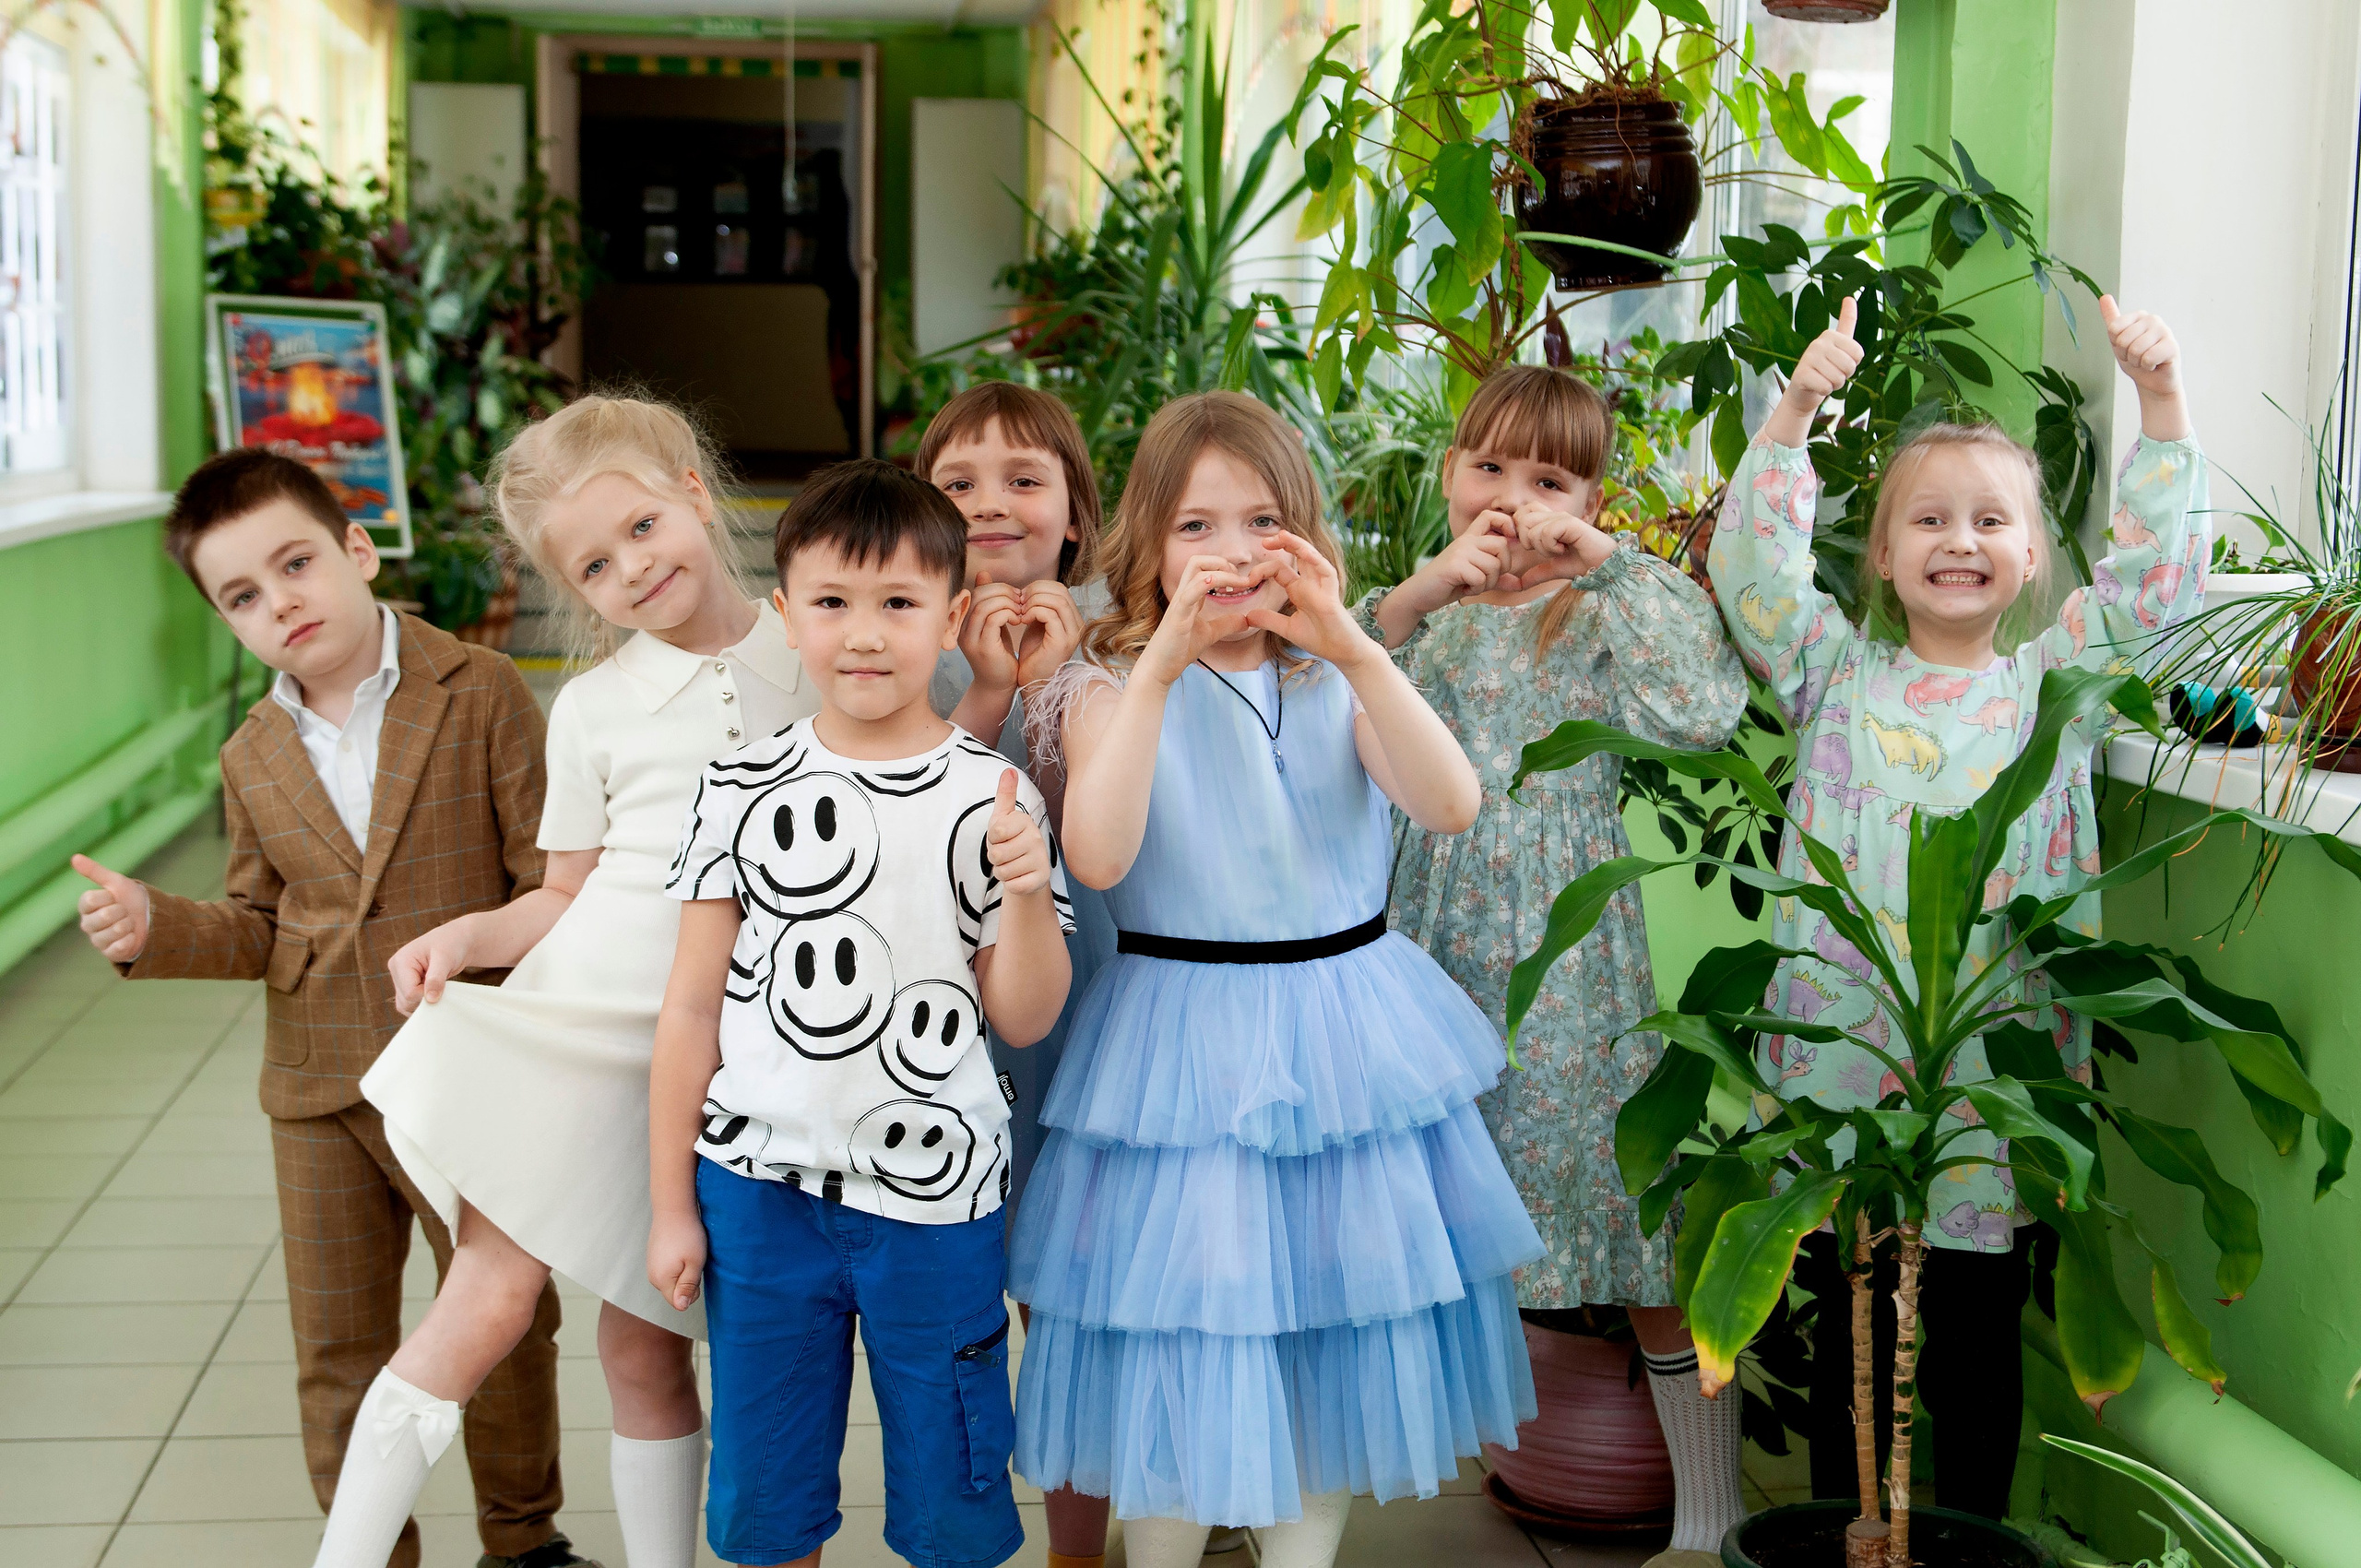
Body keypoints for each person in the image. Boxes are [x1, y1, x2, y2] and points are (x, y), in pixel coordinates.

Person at [1010, 390, 1542, 1568]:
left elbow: (1448, 802)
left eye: (1260, 522)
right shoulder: (1104, 687)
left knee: (1323, 1339)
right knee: (1179, 1340)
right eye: (1195, 526)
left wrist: (1351, 643)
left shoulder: (1338, 676)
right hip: (1178, 1050)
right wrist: (1155, 666)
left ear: (1303, 537)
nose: (1231, 554)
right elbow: (1096, 854)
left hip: (1340, 1038)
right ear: (1146, 540)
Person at [1708, 294, 2203, 1517]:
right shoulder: (1829, 673)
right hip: (1843, 1080)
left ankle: (1975, 1539)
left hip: (1993, 1078)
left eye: (1993, 521)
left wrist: (2162, 398)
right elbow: (1752, 569)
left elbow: (2157, 589)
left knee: (1978, 1348)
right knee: (1851, 1354)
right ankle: (1848, 1540)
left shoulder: (2061, 685)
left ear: (2035, 555)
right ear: (1880, 554)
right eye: (1927, 519)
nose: (1960, 539)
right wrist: (1800, 401)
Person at [314, 395, 819, 1568]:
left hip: (730, 1051)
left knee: (651, 1340)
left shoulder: (818, 644)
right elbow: (560, 893)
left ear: (695, 490)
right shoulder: (590, 707)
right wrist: (467, 937)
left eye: (642, 528)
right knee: (489, 1295)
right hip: (580, 1025)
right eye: (594, 563)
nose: (631, 568)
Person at [69, 449, 584, 1568]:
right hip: (316, 1090)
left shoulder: (480, 687)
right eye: (241, 597)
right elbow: (260, 924)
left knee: (501, 1319)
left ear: (358, 550)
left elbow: (547, 882)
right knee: (338, 1346)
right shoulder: (250, 753)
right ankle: (373, 1549)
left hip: (467, 1076)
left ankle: (523, 1538)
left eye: (295, 563)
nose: (278, 602)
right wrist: (161, 925)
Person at [1357, 363, 1751, 1567]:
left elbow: (1703, 710)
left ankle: (1709, 1510)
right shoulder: (1420, 614)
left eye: (1550, 480)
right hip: (1431, 950)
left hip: (1571, 962)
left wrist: (1610, 562)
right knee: (1399, 1205)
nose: (1512, 501)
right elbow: (1341, 688)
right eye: (1488, 467)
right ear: (1448, 473)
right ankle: (1289, 1486)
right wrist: (1427, 586)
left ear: (1590, 496)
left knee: (1620, 1212)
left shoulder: (1603, 607)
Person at [647, 458, 1074, 1568]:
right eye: (833, 602)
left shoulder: (994, 795)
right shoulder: (738, 786)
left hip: (937, 1208)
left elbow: (1022, 1017)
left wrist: (1027, 890)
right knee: (769, 1496)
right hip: (756, 1194)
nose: (865, 633)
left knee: (952, 1495)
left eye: (898, 603)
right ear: (786, 615)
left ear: (952, 617)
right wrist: (669, 1207)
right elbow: (691, 1010)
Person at [917, 382, 1124, 1568]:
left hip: (1087, 1001)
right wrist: (988, 682)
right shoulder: (907, 629)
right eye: (958, 482)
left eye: (1024, 478)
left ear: (1076, 516)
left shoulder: (1116, 631)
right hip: (937, 1016)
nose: (991, 501)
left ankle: (1079, 1543)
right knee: (956, 1293)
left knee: (1071, 1290)